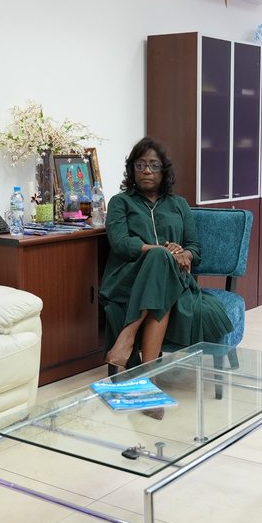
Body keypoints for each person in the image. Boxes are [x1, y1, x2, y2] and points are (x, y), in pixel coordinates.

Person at [100, 137, 232, 371]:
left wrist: (185, 255)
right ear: (132, 170)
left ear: (164, 171)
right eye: (139, 165)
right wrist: (164, 252)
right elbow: (121, 243)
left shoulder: (179, 204)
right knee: (159, 258)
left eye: (153, 165)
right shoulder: (120, 202)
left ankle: (130, 344)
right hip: (127, 277)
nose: (146, 171)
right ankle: (148, 371)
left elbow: (194, 246)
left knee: (162, 266)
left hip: (173, 278)